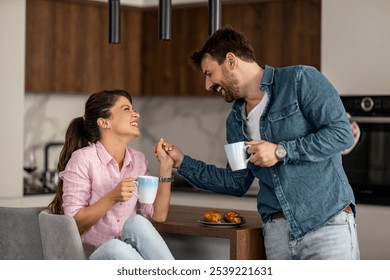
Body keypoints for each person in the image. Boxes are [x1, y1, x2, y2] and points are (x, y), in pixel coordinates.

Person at [162, 26, 360, 260]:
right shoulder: (235, 121)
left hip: (325, 224)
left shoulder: (300, 80)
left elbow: (341, 134)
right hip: (277, 234)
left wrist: (280, 151)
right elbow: (236, 181)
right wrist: (182, 162)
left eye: (209, 73)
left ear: (231, 60)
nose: (207, 85)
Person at [48, 89, 174, 260]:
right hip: (93, 258)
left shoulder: (138, 160)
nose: (136, 114)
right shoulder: (83, 159)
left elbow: (158, 215)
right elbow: (72, 225)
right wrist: (112, 197)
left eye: (133, 109)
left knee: (136, 222)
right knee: (115, 247)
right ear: (104, 122)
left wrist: (165, 169)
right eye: (126, 109)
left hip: (127, 257)